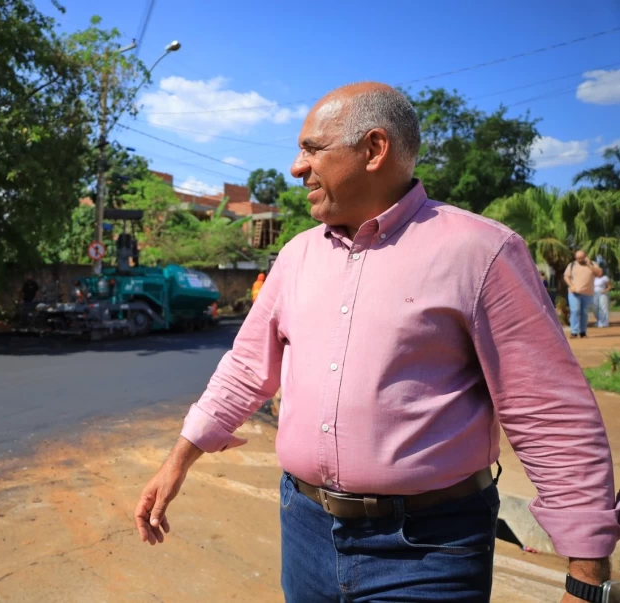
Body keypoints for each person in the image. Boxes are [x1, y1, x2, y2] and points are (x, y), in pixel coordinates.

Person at [134, 83, 618, 602]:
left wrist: (587, 578)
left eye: (311, 149)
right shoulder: (296, 258)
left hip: (429, 550)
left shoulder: (482, 253)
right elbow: (246, 368)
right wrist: (178, 459)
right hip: (305, 528)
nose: (297, 168)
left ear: (374, 149)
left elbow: (547, 411)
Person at [564, 250, 602, 338]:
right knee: (575, 311)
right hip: (574, 293)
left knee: (584, 312)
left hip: (587, 293)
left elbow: (599, 274)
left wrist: (589, 265)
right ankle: (574, 331)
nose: (579, 260)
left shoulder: (592, 264)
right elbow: (566, 276)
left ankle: (582, 332)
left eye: (581, 258)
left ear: (585, 257)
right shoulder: (572, 265)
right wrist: (571, 285)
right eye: (577, 258)